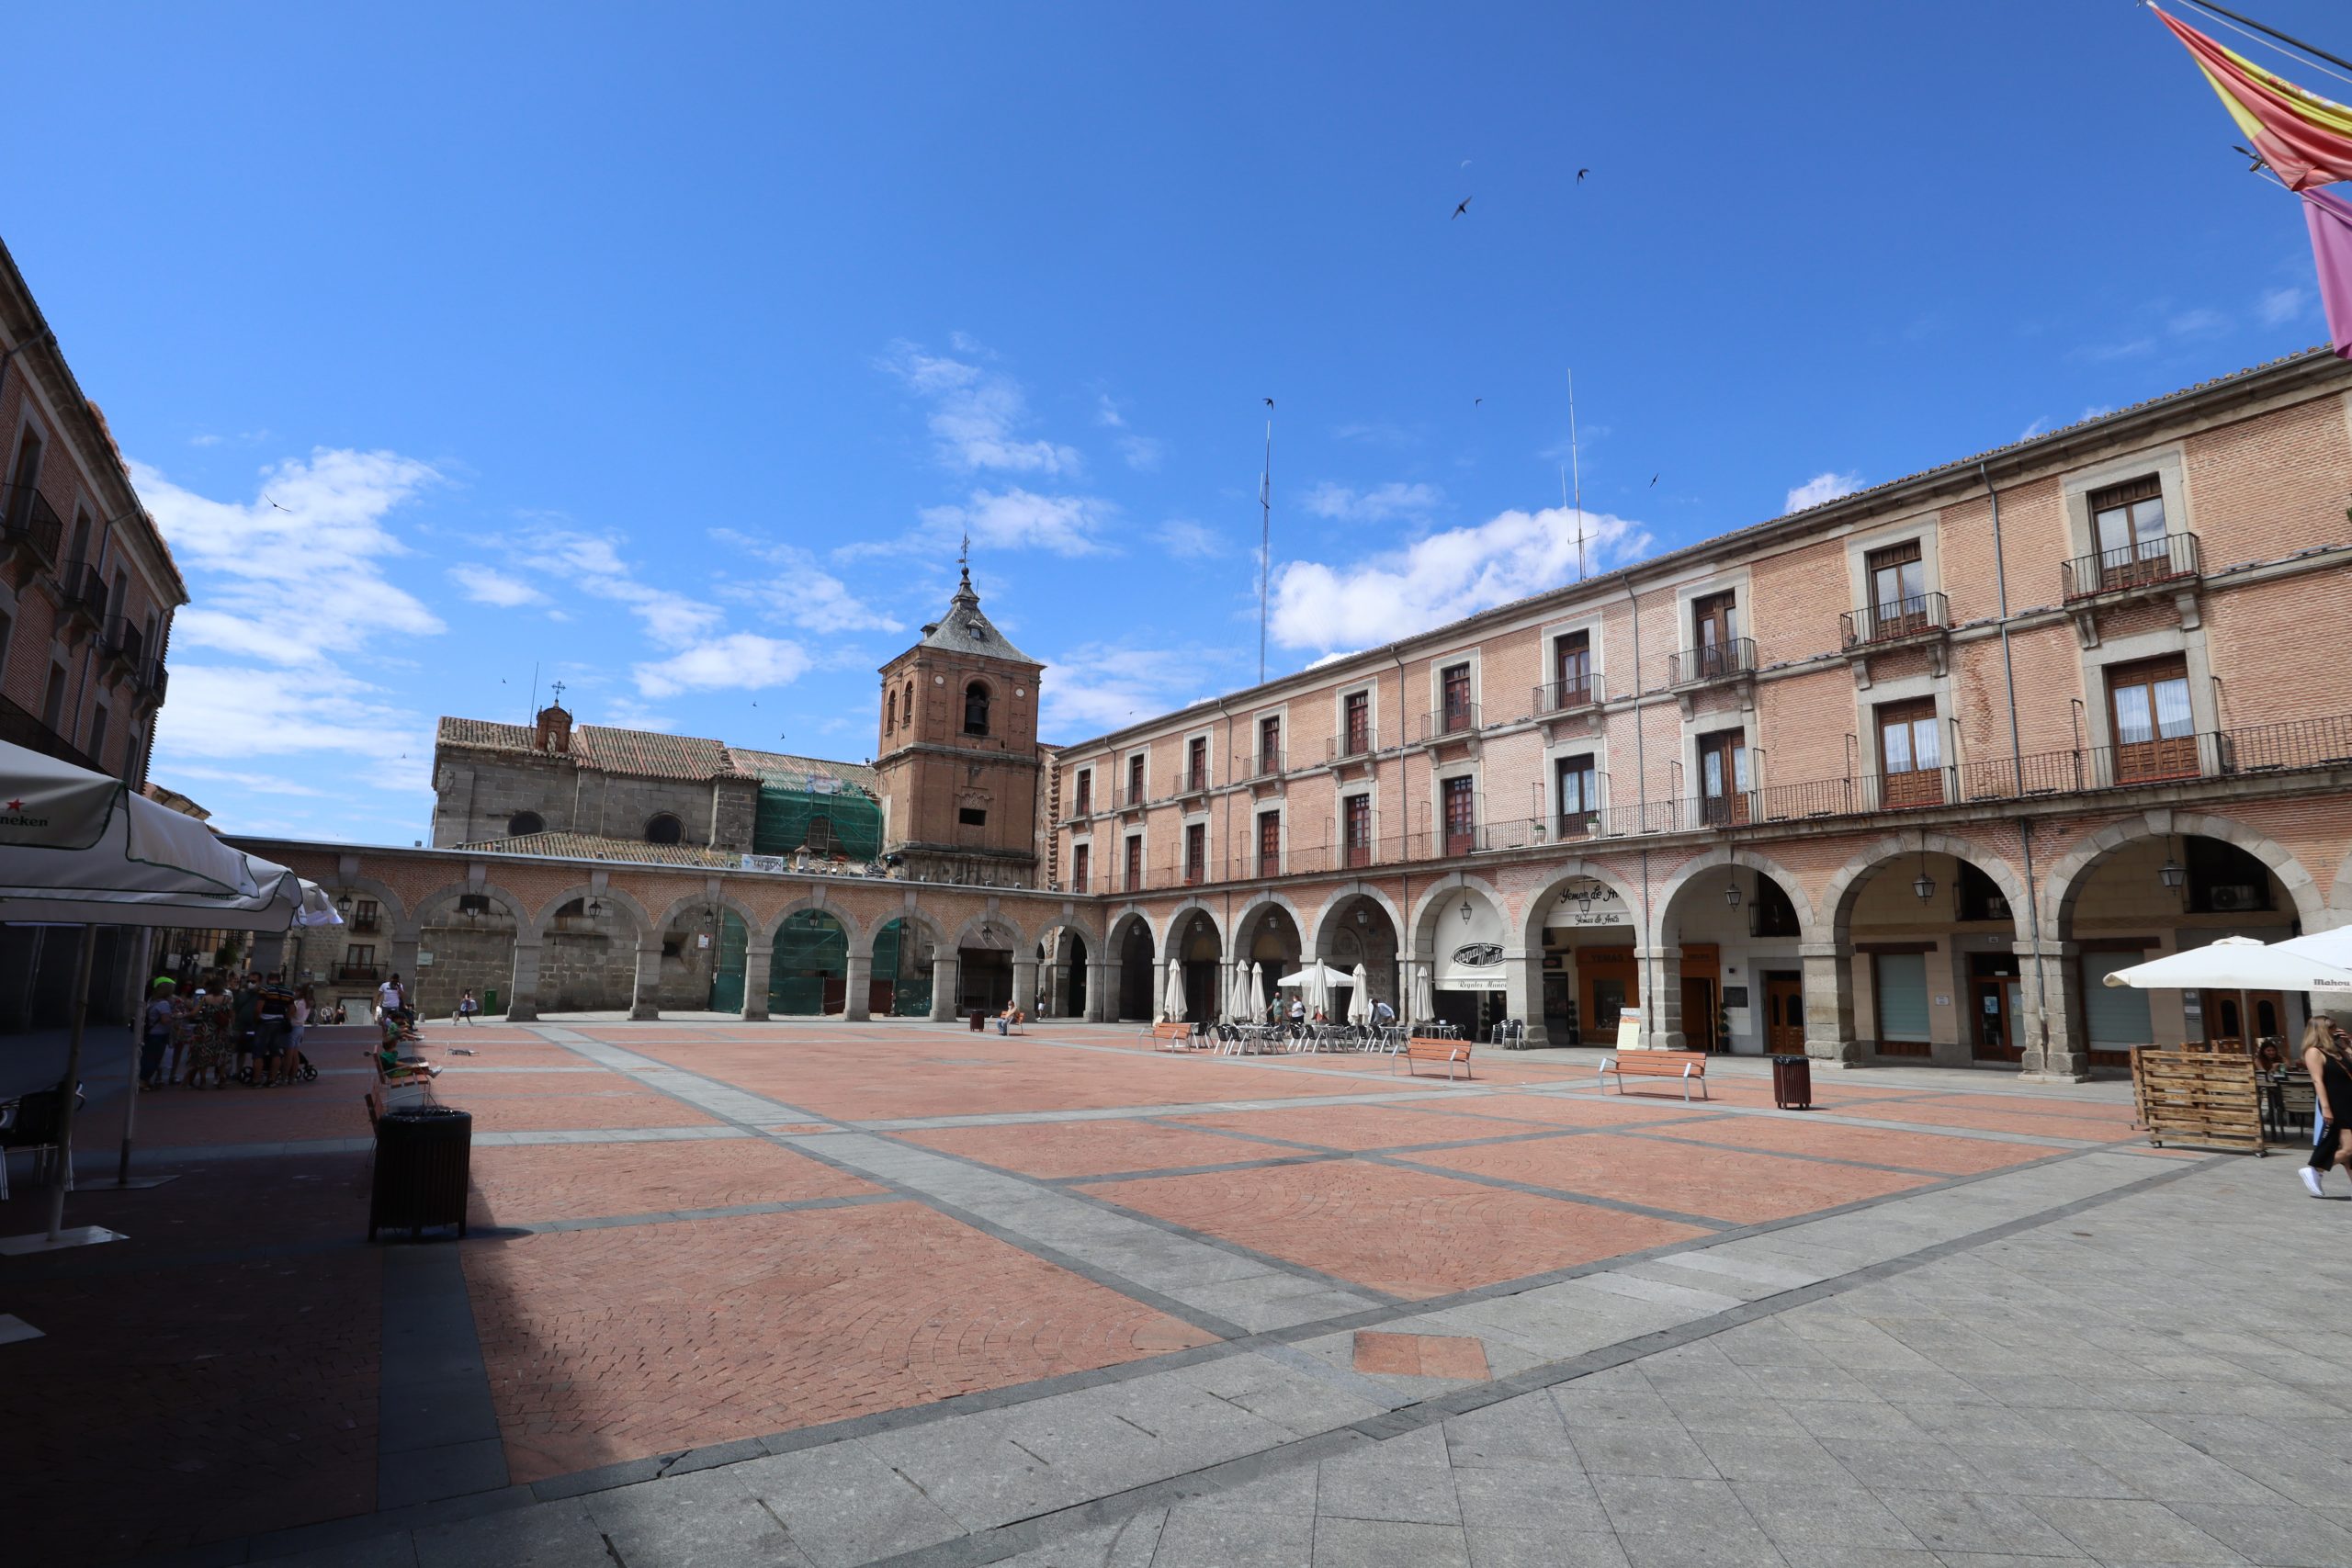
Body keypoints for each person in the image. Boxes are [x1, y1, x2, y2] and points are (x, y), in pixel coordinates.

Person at [2301, 1018, 2352, 1198]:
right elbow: (2318, 1081)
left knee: (2349, 1150)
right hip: (2337, 1104)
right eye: (2332, 1027)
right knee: (2349, 1149)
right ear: (2321, 1030)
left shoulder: (2338, 1050)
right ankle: (2316, 1168)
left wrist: (2348, 1045)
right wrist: (2326, 1108)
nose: (2336, 1030)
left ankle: (2317, 1169)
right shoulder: (2314, 1052)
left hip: (2348, 1102)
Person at [139, 979, 175, 1089]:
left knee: (147, 1057)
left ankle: (144, 1080)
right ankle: (143, 1081)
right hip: (159, 1034)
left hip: (150, 1033)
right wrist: (175, 1017)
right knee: (153, 1059)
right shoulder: (163, 1004)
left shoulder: (152, 1000)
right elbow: (165, 1020)